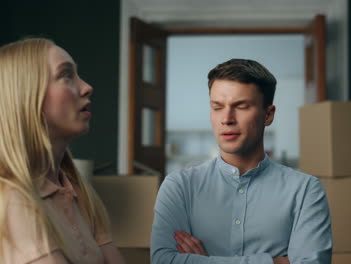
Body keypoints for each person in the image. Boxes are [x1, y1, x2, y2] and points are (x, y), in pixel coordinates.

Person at [151, 59, 332, 264]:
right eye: (217, 107)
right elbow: (163, 261)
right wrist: (275, 262)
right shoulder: (179, 186)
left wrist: (205, 261)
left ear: (268, 115)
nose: (226, 118)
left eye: (241, 106)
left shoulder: (305, 190)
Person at [0, 38, 125, 264]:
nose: (87, 87)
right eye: (65, 75)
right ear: (24, 96)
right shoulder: (12, 200)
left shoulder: (77, 190)